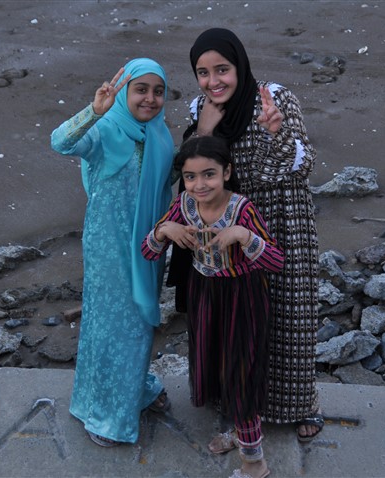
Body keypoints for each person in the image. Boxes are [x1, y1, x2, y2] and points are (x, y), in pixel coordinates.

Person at [167, 27, 324, 446]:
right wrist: (203, 128)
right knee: (233, 319)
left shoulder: (275, 98)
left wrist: (276, 132)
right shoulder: (203, 107)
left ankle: (300, 405)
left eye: (222, 69)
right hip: (225, 226)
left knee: (288, 315)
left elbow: (302, 164)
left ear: (239, 65)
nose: (213, 81)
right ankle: (237, 404)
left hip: (282, 219)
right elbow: (192, 167)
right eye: (203, 72)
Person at [142, 135, 283, 478]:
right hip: (204, 295)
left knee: (242, 373)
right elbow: (147, 252)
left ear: (227, 172)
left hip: (243, 299)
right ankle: (239, 430)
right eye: (190, 177)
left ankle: (255, 464)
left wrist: (243, 236)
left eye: (209, 174)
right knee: (219, 365)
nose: (200, 184)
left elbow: (277, 261)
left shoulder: (242, 209)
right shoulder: (184, 205)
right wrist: (164, 230)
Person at [50, 58, 174, 447]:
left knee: (139, 325)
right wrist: (94, 110)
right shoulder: (104, 131)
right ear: (124, 93)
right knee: (111, 327)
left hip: (149, 248)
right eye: (141, 90)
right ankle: (105, 416)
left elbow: (172, 180)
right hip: (108, 247)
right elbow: (60, 142)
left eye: (158, 91)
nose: (150, 99)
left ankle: (134, 390)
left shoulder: (159, 135)